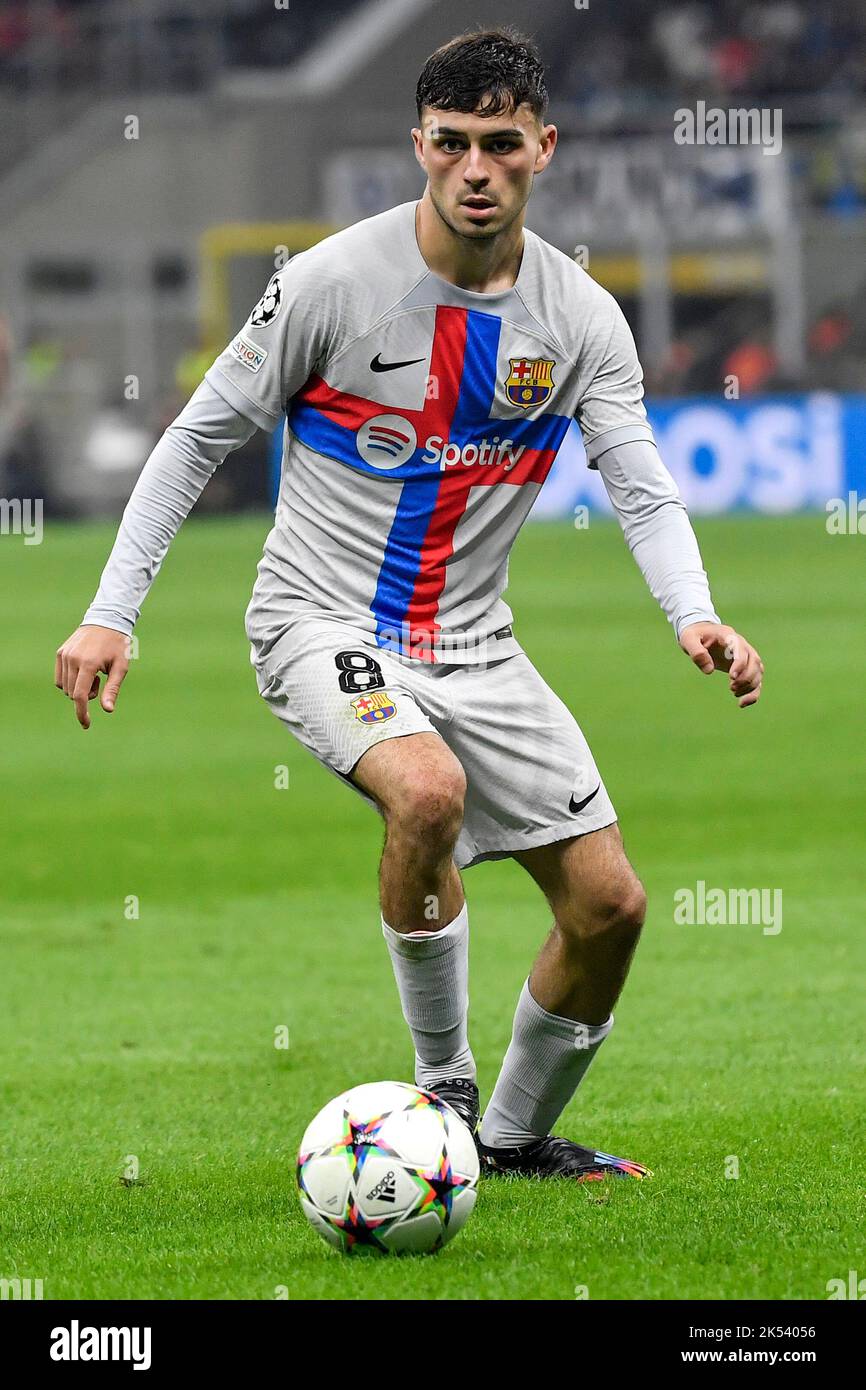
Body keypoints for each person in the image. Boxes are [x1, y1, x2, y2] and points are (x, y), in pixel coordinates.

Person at [55, 28, 763, 1181]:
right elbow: (193, 443)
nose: (473, 168)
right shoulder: (332, 282)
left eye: (498, 144)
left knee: (609, 907)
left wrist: (694, 613)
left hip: (477, 645)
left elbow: (639, 482)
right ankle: (441, 1098)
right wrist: (109, 612)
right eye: (450, 144)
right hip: (320, 620)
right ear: (418, 146)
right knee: (422, 788)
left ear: (542, 146)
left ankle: (513, 1142)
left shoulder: (579, 319)